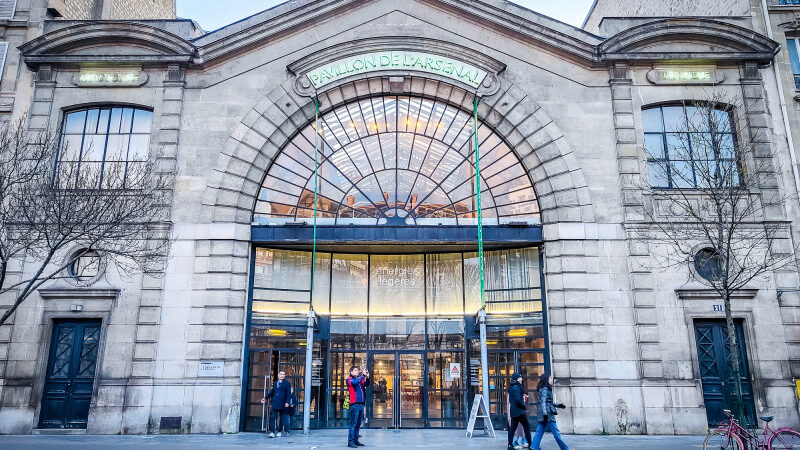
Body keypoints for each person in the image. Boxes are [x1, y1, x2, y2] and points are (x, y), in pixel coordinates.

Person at [531, 373, 568, 450]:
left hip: (543, 413)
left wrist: (558, 405)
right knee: (556, 433)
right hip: (547, 414)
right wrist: (545, 414)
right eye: (550, 378)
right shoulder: (545, 389)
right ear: (546, 380)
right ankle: (565, 449)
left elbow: (548, 403)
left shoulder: (543, 388)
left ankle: (534, 447)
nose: (551, 380)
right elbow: (544, 402)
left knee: (539, 431)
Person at [261, 369, 291, 438]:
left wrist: (287, 402)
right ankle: (272, 432)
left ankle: (279, 431)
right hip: (275, 402)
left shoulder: (287, 383)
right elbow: (272, 391)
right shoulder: (275, 383)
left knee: (281, 418)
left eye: (283, 374)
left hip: (283, 403)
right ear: (278, 375)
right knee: (272, 417)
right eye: (281, 374)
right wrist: (265, 398)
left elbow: (288, 394)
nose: (282, 376)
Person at [346, 365, 370, 448]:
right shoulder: (349, 380)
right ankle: (350, 442)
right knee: (353, 424)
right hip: (354, 404)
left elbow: (367, 384)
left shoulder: (360, 379)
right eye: (355, 370)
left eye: (357, 370)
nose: (357, 371)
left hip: (361, 404)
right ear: (351, 372)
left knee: (358, 423)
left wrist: (367, 377)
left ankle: (356, 440)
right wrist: (362, 376)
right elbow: (355, 383)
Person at [507, 372, 532, 450]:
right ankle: (530, 445)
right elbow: (517, 399)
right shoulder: (517, 387)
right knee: (527, 427)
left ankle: (510, 445)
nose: (521, 379)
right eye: (520, 378)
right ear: (517, 379)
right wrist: (523, 406)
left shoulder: (511, 387)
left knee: (512, 429)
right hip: (519, 411)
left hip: (514, 411)